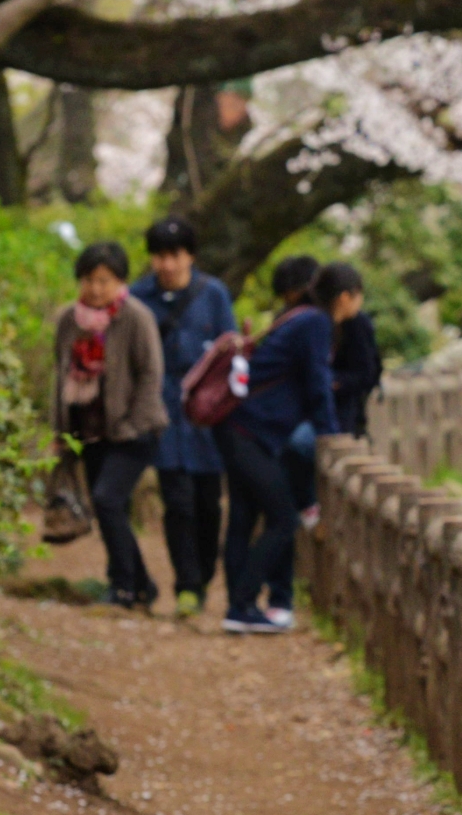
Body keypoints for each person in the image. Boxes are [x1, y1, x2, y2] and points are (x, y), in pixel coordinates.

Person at [217, 255, 338, 635]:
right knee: (283, 518)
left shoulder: (288, 321)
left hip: (236, 425)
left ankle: (239, 607)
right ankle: (242, 604)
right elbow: (318, 382)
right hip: (253, 433)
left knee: (242, 518)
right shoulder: (314, 322)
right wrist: (330, 434)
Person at [131, 216, 239, 618]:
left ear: (190, 256)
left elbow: (230, 350)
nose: (167, 264)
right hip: (161, 413)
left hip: (205, 416)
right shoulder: (139, 298)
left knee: (209, 503)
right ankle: (186, 585)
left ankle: (205, 573)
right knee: (177, 502)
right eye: (159, 255)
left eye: (174, 254)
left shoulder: (213, 294)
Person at [52, 241, 168, 610]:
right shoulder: (68, 319)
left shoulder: (136, 317)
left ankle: (121, 587)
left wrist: (134, 424)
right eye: (89, 280)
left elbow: (151, 374)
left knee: (107, 499)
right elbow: (60, 375)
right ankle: (142, 585)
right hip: (90, 430)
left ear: (120, 282)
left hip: (134, 431)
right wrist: (60, 432)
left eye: (105, 280)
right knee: (108, 507)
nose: (97, 289)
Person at [314, 261, 384, 439]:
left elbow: (368, 372)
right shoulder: (317, 322)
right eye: (358, 294)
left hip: (348, 407)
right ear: (345, 297)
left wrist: (336, 382)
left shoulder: (358, 324)